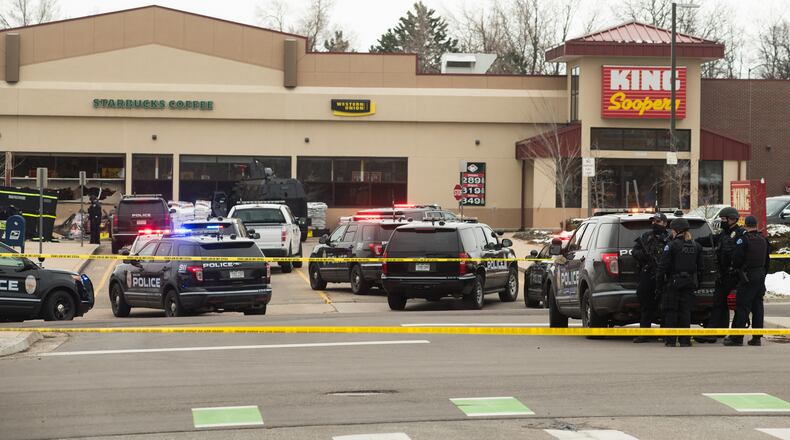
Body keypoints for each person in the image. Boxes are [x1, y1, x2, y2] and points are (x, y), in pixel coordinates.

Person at [696, 206, 745, 343]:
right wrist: (692, 240)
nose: (722, 221)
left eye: (724, 219)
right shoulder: (723, 234)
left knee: (737, 306)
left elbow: (742, 256)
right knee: (718, 304)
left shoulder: (740, 234)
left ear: (732, 219)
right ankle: (713, 332)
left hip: (735, 276)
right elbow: (710, 239)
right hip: (723, 276)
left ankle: (735, 336)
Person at [656, 218, 704, 347]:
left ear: (676, 230)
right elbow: (701, 268)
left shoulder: (671, 245)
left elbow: (662, 267)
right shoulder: (696, 246)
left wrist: (659, 284)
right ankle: (685, 340)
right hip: (689, 282)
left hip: (674, 282)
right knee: (685, 311)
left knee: (671, 310)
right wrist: (698, 283)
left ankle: (671, 341)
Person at [723, 216, 770, 347]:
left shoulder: (743, 240)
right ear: (756, 225)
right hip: (760, 276)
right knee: (758, 307)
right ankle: (757, 338)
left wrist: (739, 270)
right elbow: (767, 261)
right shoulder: (763, 240)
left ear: (745, 225)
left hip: (747, 276)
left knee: (742, 306)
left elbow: (737, 259)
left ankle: (737, 338)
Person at [632, 213, 669, 343]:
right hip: (648, 273)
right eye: (653, 221)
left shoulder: (670, 237)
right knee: (646, 305)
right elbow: (634, 251)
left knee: (665, 305)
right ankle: (645, 333)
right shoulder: (645, 237)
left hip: (664, 275)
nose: (654, 224)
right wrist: (644, 256)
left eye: (658, 222)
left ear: (665, 223)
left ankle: (665, 334)